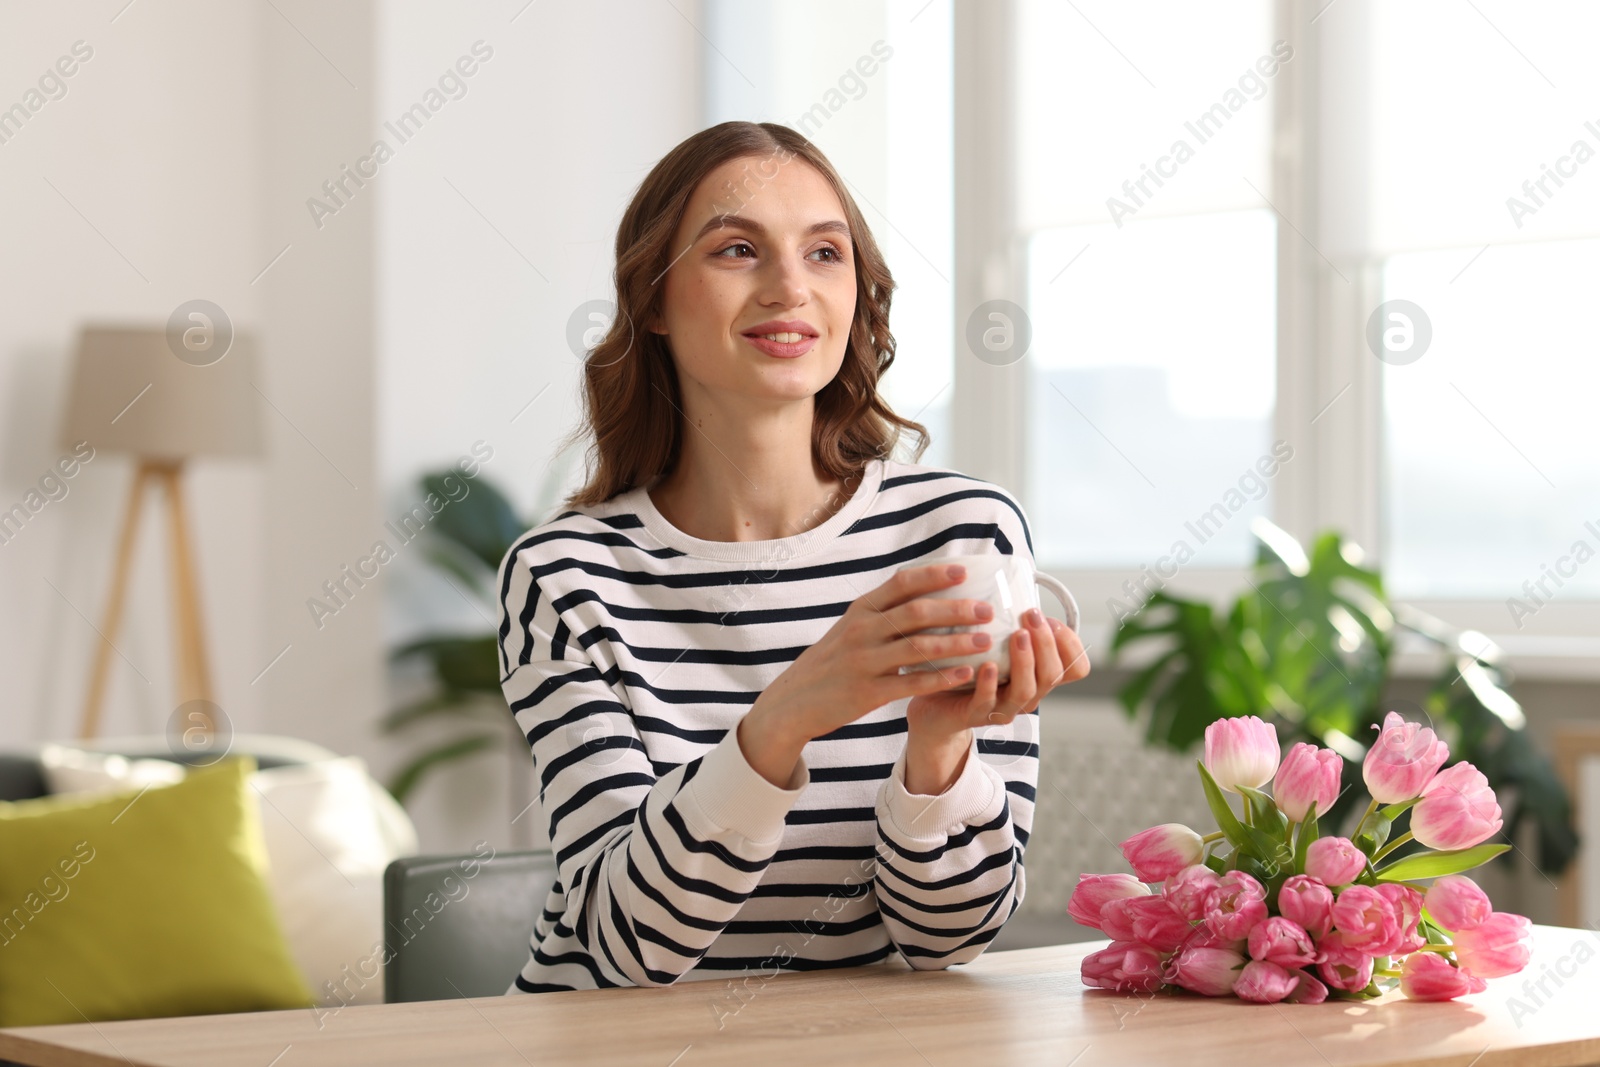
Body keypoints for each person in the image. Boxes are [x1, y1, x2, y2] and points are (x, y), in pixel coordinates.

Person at [496, 120, 1089, 994]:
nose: (788, 287)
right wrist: (786, 717)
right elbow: (629, 946)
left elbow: (949, 940)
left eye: (823, 253)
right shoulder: (568, 575)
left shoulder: (963, 532)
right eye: (738, 249)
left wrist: (938, 752)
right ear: (653, 300)